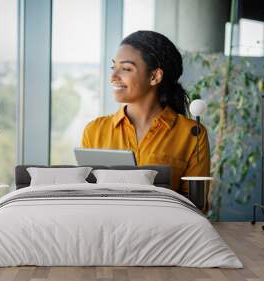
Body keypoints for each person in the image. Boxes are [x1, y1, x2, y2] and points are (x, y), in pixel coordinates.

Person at [81, 30, 210, 195]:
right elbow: (86, 194)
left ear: (155, 76)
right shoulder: (94, 131)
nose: (113, 76)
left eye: (126, 69)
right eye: (114, 67)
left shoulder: (192, 134)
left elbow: (196, 203)